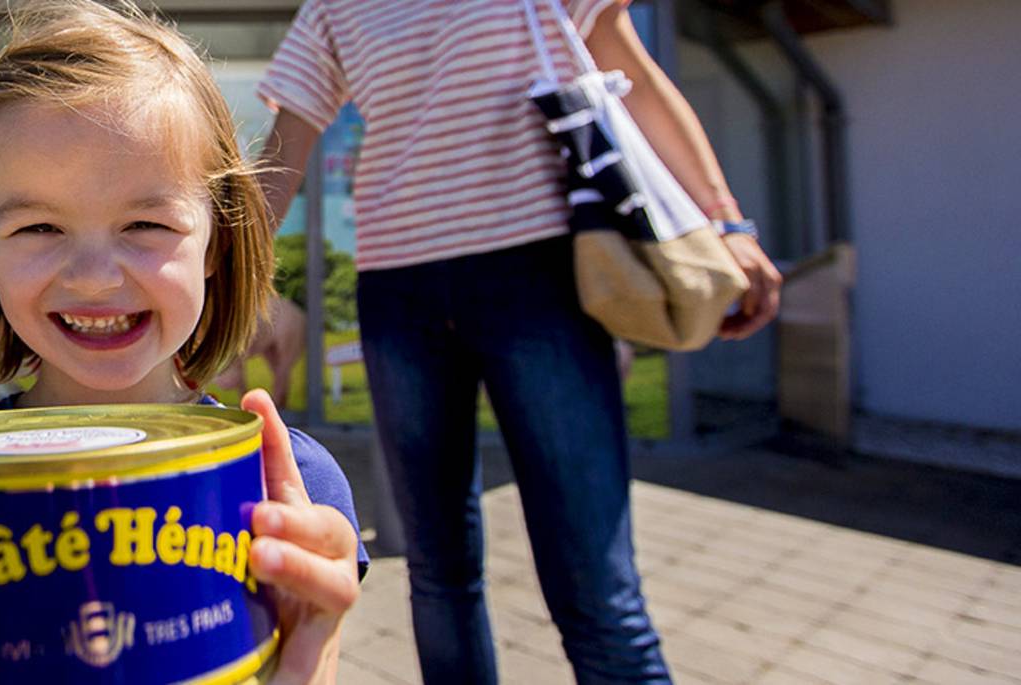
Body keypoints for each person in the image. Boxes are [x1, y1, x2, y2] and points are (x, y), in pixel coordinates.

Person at [0, 2, 368, 681]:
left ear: (216, 241)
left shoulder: (290, 486)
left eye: (145, 223)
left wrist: (309, 648)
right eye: (39, 229)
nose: (92, 278)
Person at [254, 1, 784, 682]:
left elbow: (639, 79)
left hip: (540, 284)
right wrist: (216, 278)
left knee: (596, 586)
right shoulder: (336, 6)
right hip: (398, 293)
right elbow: (286, 147)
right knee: (437, 570)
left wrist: (729, 223)